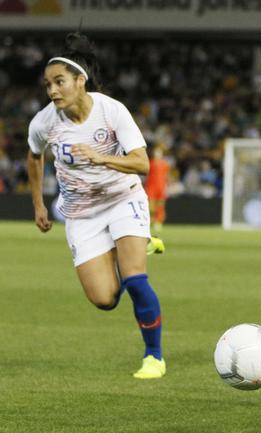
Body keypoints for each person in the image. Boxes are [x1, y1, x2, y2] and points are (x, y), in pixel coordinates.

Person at [26, 33, 167, 379]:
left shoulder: (111, 110)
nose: (53, 91)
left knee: (135, 279)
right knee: (105, 299)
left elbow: (141, 163)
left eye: (59, 82)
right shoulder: (44, 122)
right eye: (48, 85)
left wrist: (102, 158)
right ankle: (130, 244)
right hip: (80, 214)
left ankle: (154, 357)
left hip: (123, 198)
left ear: (80, 80)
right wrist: (39, 206)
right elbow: (33, 158)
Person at [145, 144, 170, 236]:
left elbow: (166, 176)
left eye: (159, 152)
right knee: (150, 206)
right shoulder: (150, 163)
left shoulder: (165, 164)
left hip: (161, 186)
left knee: (160, 206)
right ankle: (150, 221)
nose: (157, 154)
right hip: (151, 187)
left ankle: (158, 222)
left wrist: (167, 186)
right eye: (156, 152)